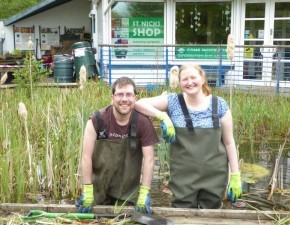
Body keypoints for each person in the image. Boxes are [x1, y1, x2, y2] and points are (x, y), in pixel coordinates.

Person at [135, 63, 242, 209]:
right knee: (182, 213)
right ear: (179, 82)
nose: (189, 82)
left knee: (211, 215)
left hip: (215, 175)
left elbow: (229, 142)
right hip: (183, 176)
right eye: (184, 79)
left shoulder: (219, 105)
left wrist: (235, 175)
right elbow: (139, 104)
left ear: (203, 79)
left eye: (193, 77)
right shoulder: (173, 101)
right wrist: (162, 116)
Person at [76, 77, 159, 213]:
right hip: (98, 189)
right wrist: (87, 189)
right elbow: (86, 157)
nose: (124, 99)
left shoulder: (143, 122)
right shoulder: (96, 120)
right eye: (120, 94)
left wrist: (144, 193)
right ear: (112, 98)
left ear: (135, 98)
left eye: (129, 95)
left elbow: (149, 160)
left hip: (128, 192)